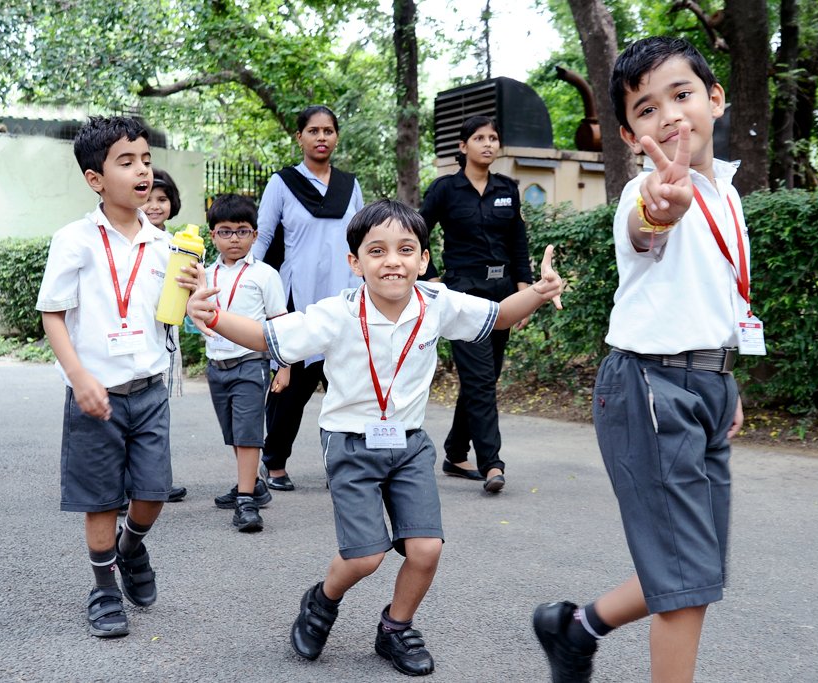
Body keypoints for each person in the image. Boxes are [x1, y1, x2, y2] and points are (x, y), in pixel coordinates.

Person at [183, 199, 562, 676]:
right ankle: (322, 601)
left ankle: (395, 629)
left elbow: (499, 315)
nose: (393, 261)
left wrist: (540, 291)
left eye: (406, 249)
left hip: (408, 444)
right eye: (377, 250)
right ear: (355, 262)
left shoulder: (437, 304)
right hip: (350, 443)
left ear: (423, 259)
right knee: (365, 557)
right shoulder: (336, 313)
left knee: (426, 550)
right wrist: (212, 317)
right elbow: (268, 335)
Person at [532, 37, 754, 683]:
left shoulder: (729, 196)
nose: (670, 116)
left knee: (696, 564)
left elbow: (716, 294)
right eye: (647, 110)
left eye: (682, 95)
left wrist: (726, 374)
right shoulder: (644, 194)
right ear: (630, 135)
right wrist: (661, 207)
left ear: (714, 98)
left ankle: (575, 627)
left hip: (705, 384)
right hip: (653, 387)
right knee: (686, 582)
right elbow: (647, 223)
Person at [36, 116, 174, 638]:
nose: (142, 171)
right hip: (95, 394)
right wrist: (79, 376)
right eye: (126, 161)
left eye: (145, 160)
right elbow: (53, 313)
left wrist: (198, 292)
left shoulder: (164, 244)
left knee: (153, 493)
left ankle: (130, 548)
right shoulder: (74, 240)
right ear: (96, 179)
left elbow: (175, 311)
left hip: (150, 389)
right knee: (100, 499)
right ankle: (103, 589)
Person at [250, 104, 364, 492]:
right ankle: (274, 462)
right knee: (291, 389)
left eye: (328, 131)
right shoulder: (281, 183)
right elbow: (263, 236)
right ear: (299, 137)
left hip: (346, 297)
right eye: (313, 131)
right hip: (297, 299)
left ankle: (349, 466)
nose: (321, 137)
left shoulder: (350, 185)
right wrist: (244, 280)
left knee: (348, 387)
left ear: (336, 136)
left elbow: (363, 238)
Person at [419, 115, 533, 493]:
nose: (488, 144)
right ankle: (492, 464)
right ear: (463, 145)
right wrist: (432, 278)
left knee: (483, 378)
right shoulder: (445, 190)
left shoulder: (507, 189)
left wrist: (524, 292)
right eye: (480, 138)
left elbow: (518, 242)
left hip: (502, 295)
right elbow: (416, 230)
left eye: (493, 138)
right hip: (463, 296)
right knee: (481, 380)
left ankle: (454, 453)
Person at [203, 194, 287, 531]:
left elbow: (279, 322)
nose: (234, 238)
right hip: (216, 365)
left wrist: (285, 365)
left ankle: (246, 501)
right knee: (234, 433)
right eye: (225, 231)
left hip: (250, 363)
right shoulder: (204, 274)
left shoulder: (265, 275)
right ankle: (253, 485)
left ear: (254, 234)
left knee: (249, 434)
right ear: (213, 236)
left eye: (242, 231)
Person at [139, 167, 187, 504]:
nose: (156, 206)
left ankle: (158, 481)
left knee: (158, 409)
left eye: (163, 198)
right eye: (149, 198)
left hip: (166, 335)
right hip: (138, 336)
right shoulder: (131, 241)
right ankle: (136, 483)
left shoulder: (178, 244)